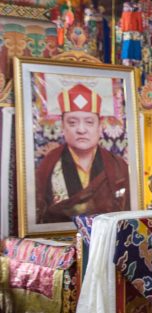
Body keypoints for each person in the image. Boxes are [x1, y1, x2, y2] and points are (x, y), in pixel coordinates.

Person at [35, 83, 130, 223]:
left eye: (89, 122)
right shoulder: (49, 165)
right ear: (62, 127)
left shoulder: (118, 166)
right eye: (72, 123)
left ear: (100, 126)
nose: (81, 129)